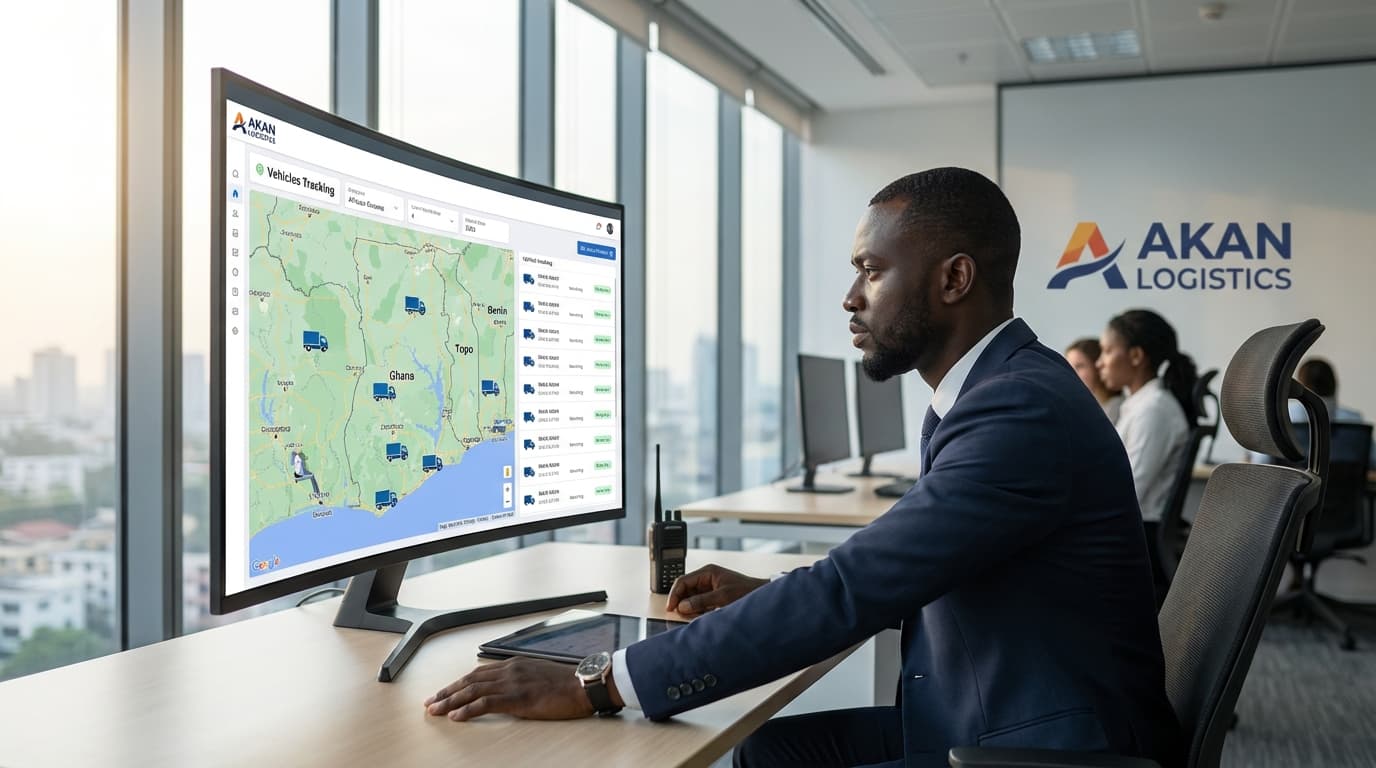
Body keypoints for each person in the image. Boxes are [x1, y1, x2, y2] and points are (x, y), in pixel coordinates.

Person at [421, 168, 1181, 767]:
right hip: (996, 707)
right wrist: (772, 591)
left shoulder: (1020, 412)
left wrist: (602, 681)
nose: (851, 298)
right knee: (767, 750)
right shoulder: (999, 390)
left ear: (954, 280)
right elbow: (908, 568)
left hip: (1042, 746)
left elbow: (853, 588)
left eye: (872, 271)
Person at [1095, 309, 1198, 603]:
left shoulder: (1153, 410)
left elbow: (1128, 490)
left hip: (1139, 538)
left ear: (1136, 356)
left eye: (1107, 351)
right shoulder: (1140, 405)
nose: (1100, 362)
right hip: (1133, 531)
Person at [1065, 337, 1123, 424]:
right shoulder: (1084, 409)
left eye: (1080, 366)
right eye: (1069, 367)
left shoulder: (1116, 407)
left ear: (1098, 366)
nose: (1072, 372)